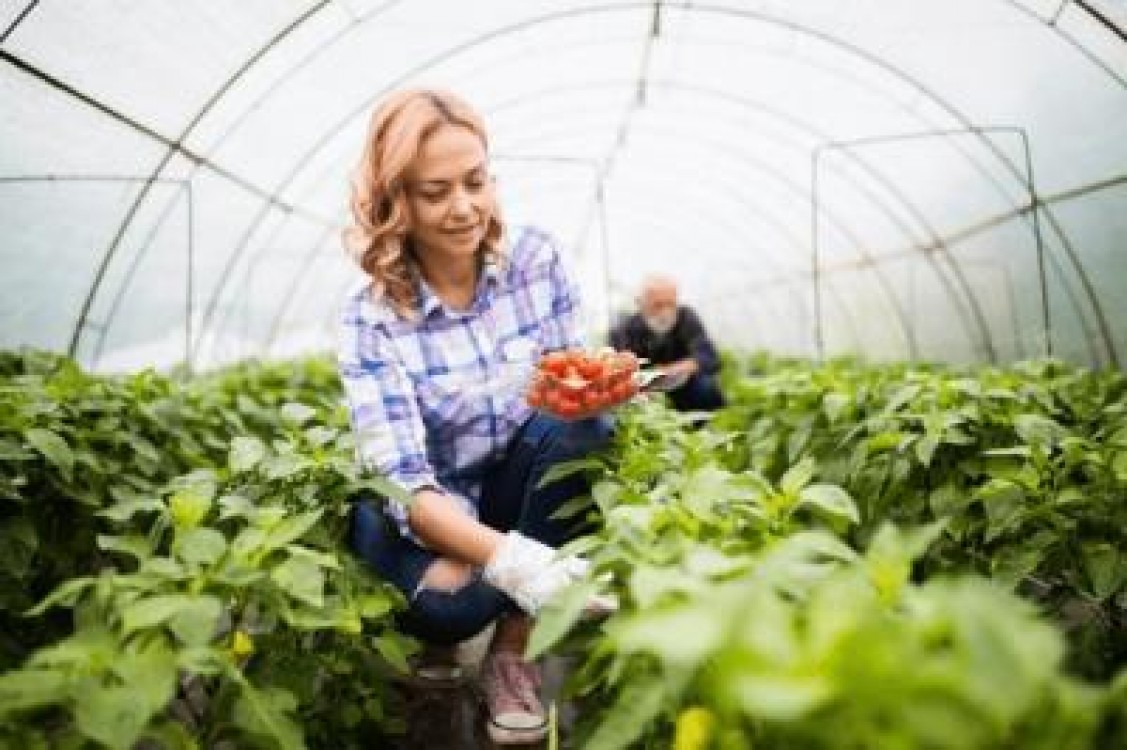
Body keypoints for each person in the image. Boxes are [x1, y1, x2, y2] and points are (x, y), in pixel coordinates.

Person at [337, 88, 612, 746]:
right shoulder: (370, 317)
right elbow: (406, 486)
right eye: (435, 191)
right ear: (395, 200)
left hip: (508, 491)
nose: (463, 207)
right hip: (425, 511)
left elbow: (563, 400)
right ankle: (449, 628)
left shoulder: (535, 261)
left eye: (475, 181)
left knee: (587, 428)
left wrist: (604, 386)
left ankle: (511, 654)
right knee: (451, 609)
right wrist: (526, 566)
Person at [609, 274, 726, 412]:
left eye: (671, 304)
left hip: (684, 387)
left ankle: (704, 427)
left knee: (707, 387)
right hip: (646, 394)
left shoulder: (686, 317)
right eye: (657, 305)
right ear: (641, 304)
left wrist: (669, 371)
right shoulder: (624, 331)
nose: (665, 312)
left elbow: (709, 357)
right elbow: (619, 375)